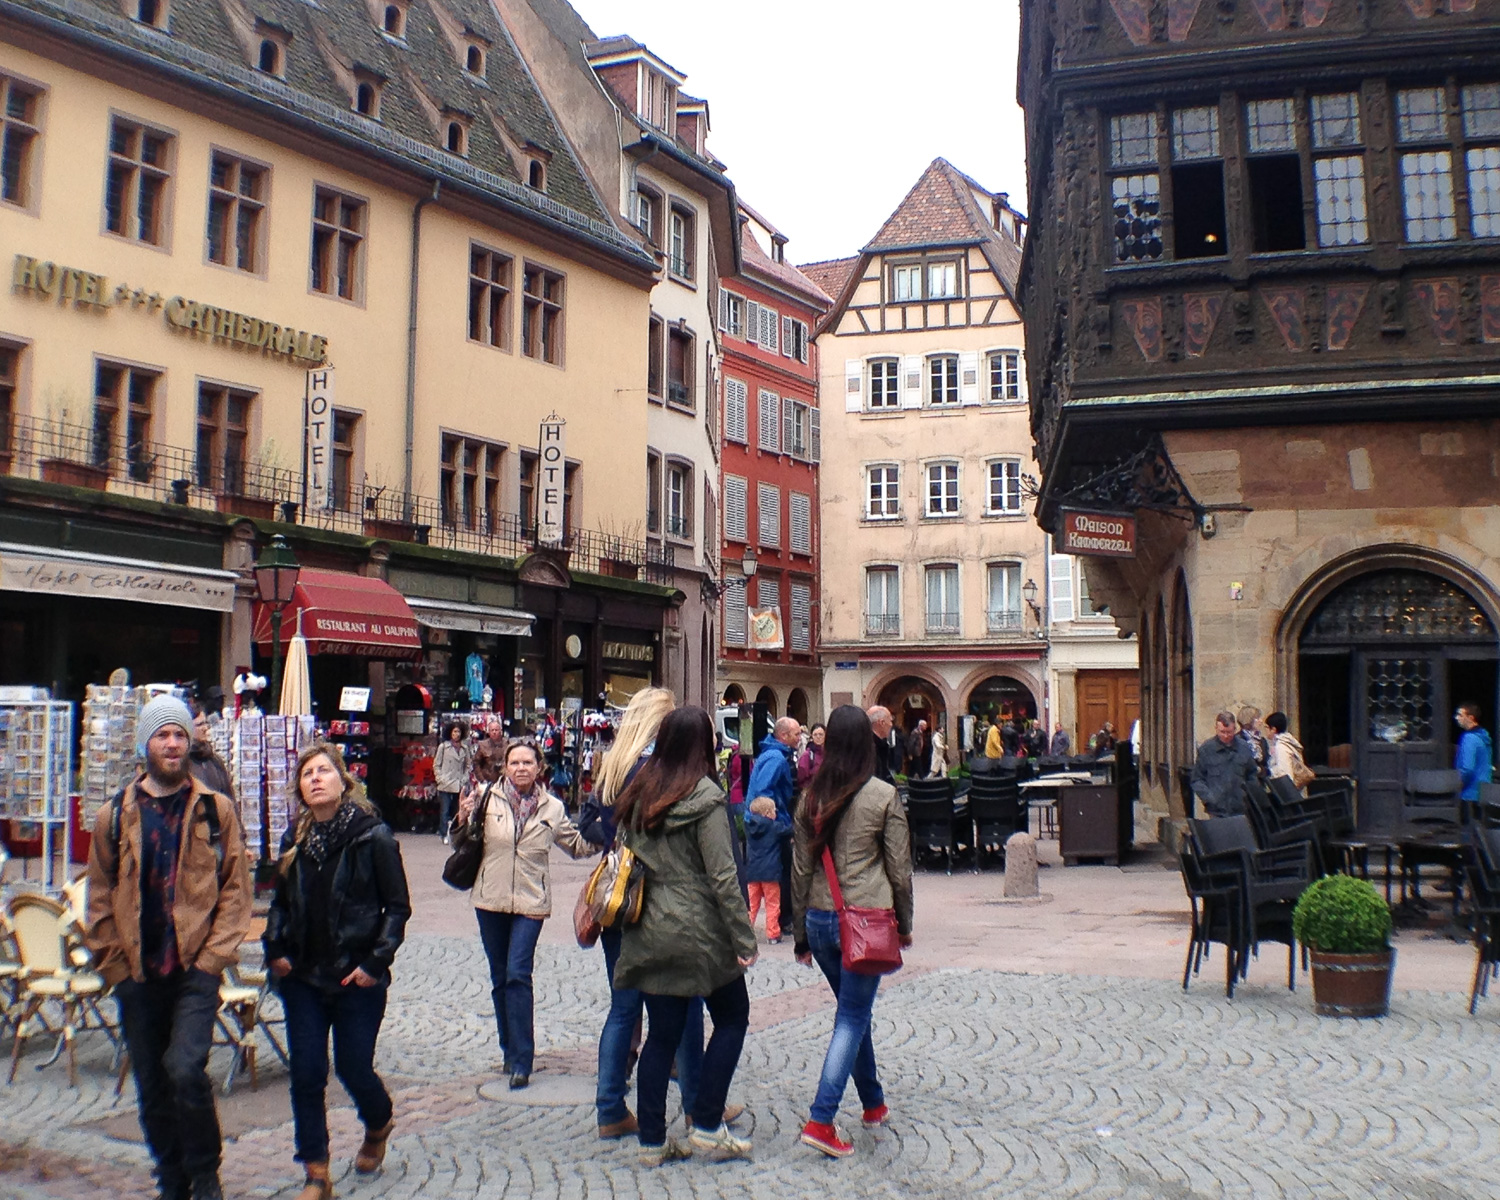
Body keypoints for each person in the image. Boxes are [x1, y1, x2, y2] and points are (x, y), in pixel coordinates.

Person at [84, 695, 253, 1200]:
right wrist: (114, 968)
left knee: (184, 1067)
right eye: (163, 735)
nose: (173, 743)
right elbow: (97, 897)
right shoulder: (113, 816)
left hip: (194, 971)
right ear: (146, 744)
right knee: (153, 1086)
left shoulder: (214, 810)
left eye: (179, 734)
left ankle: (204, 1172)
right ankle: (171, 1176)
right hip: (137, 973)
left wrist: (211, 963)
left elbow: (236, 890)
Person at [264, 744, 411, 1200]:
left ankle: (378, 1122)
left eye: (323, 771)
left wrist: (374, 963)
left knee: (353, 1067)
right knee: (307, 1073)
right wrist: (275, 948)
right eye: (307, 774)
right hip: (305, 978)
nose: (315, 779)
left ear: (342, 781)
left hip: (356, 979)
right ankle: (316, 1171)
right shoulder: (295, 839)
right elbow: (281, 904)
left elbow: (397, 907)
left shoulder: (373, 837)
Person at [614, 707, 758, 1167]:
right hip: (698, 930)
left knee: (662, 1036)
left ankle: (652, 1142)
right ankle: (709, 1124)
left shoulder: (640, 792)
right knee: (733, 1016)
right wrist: (744, 939)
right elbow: (722, 877)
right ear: (705, 745)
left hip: (649, 927)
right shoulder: (705, 797)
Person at [578, 687, 713, 1141]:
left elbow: (592, 825)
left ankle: (609, 1107)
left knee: (623, 1008)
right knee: (687, 1001)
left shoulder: (612, 766)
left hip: (618, 898)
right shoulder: (658, 769)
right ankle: (698, 1106)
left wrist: (614, 837)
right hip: (657, 899)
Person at [792, 705, 914, 1159]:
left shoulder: (809, 797)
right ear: (868, 742)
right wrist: (905, 923)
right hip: (867, 921)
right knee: (852, 1017)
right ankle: (821, 1119)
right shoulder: (883, 795)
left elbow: (800, 869)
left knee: (852, 1010)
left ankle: (873, 1102)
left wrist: (801, 934)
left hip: (822, 922)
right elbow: (900, 870)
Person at [456, 738, 592, 1089]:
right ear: (505, 767)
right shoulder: (487, 799)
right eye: (514, 762)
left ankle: (522, 1060)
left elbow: (575, 846)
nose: (520, 768)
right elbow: (460, 841)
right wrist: (460, 816)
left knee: (518, 974)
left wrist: (606, 832)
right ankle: (508, 1048)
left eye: (527, 763)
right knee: (500, 977)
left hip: (531, 902)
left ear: (539, 767)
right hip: (490, 899)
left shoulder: (552, 808)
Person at [1189, 710, 1260, 817]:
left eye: (1229, 732)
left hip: (1240, 809)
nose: (1226, 736)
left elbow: (1252, 774)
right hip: (1216, 810)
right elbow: (1197, 779)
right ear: (1216, 729)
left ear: (1235, 729)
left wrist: (1247, 795)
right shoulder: (1206, 750)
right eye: (1222, 732)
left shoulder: (1244, 747)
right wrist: (1209, 798)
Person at [745, 795, 791, 943]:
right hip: (771, 872)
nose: (776, 813)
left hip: (752, 872)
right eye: (774, 810)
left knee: (751, 905)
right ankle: (772, 934)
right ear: (767, 813)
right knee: (772, 904)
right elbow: (790, 830)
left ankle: (745, 932)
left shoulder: (749, 827)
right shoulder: (774, 826)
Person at [433, 722, 472, 841]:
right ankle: (444, 833)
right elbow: (436, 764)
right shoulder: (443, 747)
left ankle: (455, 833)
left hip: (459, 782)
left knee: (457, 809)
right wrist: (440, 778)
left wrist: (465, 778)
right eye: (454, 732)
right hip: (446, 782)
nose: (456, 734)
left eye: (458, 732)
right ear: (450, 733)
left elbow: (468, 765)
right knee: (444, 810)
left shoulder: (465, 748)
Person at [187, 700, 233, 799]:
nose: (205, 728)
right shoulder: (181, 763)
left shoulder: (214, 761)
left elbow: (229, 797)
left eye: (205, 723)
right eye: (199, 725)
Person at [1456, 702, 1495, 802]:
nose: (1456, 718)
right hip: (1484, 791)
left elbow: (1467, 769)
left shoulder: (1470, 738)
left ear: (1470, 718)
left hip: (1469, 794)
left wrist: (1456, 785)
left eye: (1460, 715)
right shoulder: (1483, 737)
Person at [1264, 711, 1313, 790]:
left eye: (1266, 727)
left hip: (1285, 792)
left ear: (1273, 729)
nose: (1265, 730)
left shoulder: (1281, 747)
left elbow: (1285, 774)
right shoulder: (1286, 743)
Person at [471, 718, 506, 786]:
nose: (494, 732)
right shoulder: (483, 745)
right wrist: (481, 779)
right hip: (488, 781)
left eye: (496, 730)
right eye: (492, 730)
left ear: (500, 731)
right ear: (488, 732)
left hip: (504, 781)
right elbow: (476, 763)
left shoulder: (507, 744)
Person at [1237, 706, 1269, 779]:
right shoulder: (1237, 740)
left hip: (1259, 784)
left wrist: (1261, 770)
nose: (1261, 721)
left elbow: (1266, 765)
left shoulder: (1262, 741)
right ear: (1248, 720)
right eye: (1257, 718)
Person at [867, 706, 898, 782]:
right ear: (882, 723)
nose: (891, 725)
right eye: (890, 721)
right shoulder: (868, 747)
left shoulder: (881, 745)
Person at [796, 724, 826, 791]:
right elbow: (801, 777)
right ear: (811, 737)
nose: (818, 737)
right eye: (815, 735)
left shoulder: (830, 754)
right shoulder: (807, 755)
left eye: (821, 734)